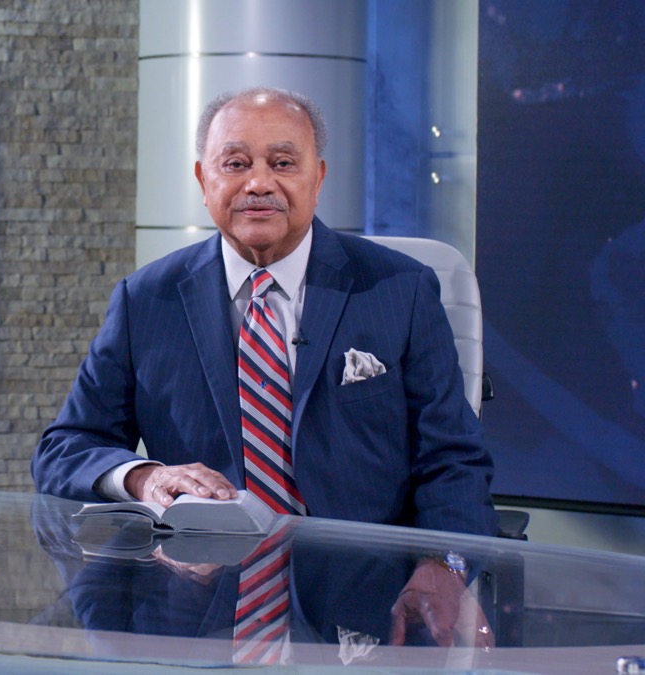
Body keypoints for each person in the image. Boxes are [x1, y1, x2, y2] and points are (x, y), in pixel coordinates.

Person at [32, 87, 499, 648]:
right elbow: (65, 448)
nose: (258, 183)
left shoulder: (399, 290)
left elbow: (453, 459)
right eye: (236, 164)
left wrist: (445, 564)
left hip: (369, 605)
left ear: (317, 178)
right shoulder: (146, 300)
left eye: (282, 163)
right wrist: (145, 477)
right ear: (203, 179)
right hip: (191, 606)